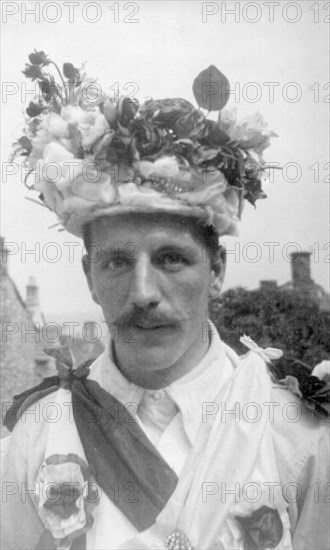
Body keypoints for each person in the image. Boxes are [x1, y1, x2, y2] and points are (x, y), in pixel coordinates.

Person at [1, 53, 329, 550]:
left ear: (216, 271)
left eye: (172, 259)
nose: (143, 294)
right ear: (88, 275)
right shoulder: (35, 439)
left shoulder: (299, 437)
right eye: (115, 262)